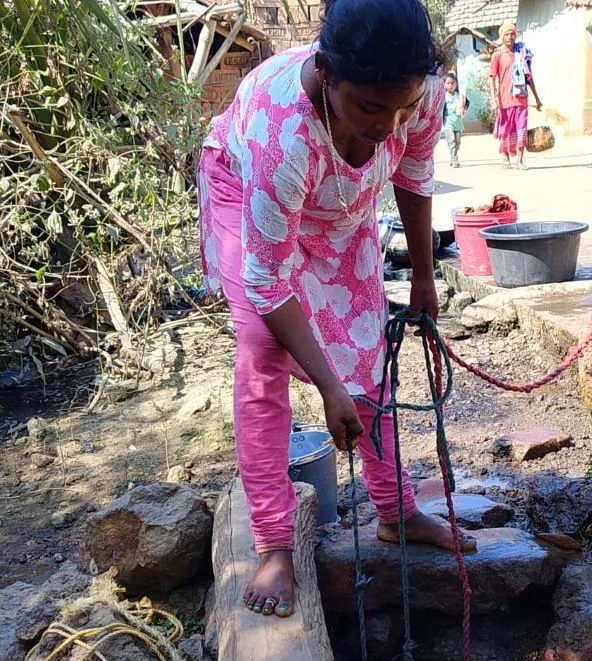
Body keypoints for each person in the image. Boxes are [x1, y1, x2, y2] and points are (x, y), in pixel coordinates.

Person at [197, 0, 478, 620]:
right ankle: (273, 543)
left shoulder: (417, 90)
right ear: (326, 73)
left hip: (339, 209)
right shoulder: (284, 134)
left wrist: (426, 276)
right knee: (263, 353)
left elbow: (413, 168)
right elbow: (267, 280)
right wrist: (327, 387)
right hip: (247, 193)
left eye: (400, 107)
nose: (387, 125)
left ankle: (395, 511)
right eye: (370, 109)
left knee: (365, 345)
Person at [489, 22, 543, 170]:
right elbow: (492, 78)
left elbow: (529, 78)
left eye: (512, 34)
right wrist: (493, 99)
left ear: (516, 35)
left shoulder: (522, 53)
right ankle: (505, 157)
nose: (510, 37)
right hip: (504, 100)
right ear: (502, 36)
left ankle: (519, 161)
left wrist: (537, 99)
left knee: (521, 130)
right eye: (507, 34)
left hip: (521, 99)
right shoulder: (497, 55)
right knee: (506, 130)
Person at [442, 72, 468, 167]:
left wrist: (464, 108)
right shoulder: (443, 97)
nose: (451, 85)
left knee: (457, 142)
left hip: (458, 122)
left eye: (453, 83)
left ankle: (453, 156)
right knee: (451, 141)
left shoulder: (460, 95)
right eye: (448, 83)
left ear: (456, 84)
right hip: (448, 122)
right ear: (444, 84)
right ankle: (455, 159)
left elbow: (466, 104)